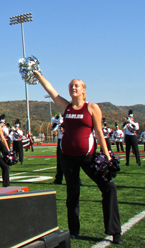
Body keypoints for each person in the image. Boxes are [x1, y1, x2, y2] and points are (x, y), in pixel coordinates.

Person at [34, 72, 123, 244]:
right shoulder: (65, 107)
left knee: (109, 188)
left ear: (83, 90)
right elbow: (50, 89)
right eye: (71, 86)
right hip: (67, 157)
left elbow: (98, 132)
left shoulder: (92, 108)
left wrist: (106, 155)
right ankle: (74, 230)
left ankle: (114, 231)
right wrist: (38, 74)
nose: (73, 87)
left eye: (77, 85)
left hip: (88, 157)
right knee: (72, 193)